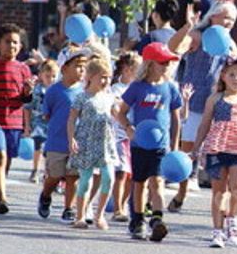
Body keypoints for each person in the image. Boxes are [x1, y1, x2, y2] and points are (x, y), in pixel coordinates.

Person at [167, 0, 237, 212]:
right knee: (189, 149)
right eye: (225, 17)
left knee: (220, 152)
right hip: (194, 100)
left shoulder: (230, 43)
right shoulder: (198, 36)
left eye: (232, 20)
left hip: (219, 102)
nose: (228, 23)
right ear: (213, 17)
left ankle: (221, 206)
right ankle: (182, 190)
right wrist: (187, 27)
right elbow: (173, 48)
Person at [191, 56, 237, 248]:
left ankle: (232, 220)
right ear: (223, 76)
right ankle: (217, 230)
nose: (236, 79)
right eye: (232, 75)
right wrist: (196, 147)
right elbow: (205, 124)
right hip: (218, 146)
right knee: (219, 191)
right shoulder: (215, 99)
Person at [117, 42, 182, 241]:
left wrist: (175, 144)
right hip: (139, 144)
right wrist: (128, 128)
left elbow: (176, 117)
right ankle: (137, 219)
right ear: (150, 64)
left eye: (168, 63)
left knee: (158, 180)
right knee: (140, 182)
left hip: (160, 144)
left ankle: (157, 218)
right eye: (162, 62)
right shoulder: (137, 87)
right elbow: (121, 112)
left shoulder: (170, 87)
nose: (166, 66)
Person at [0, 23, 35, 214]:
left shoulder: (23, 69)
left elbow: (25, 98)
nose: (12, 46)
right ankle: (3, 198)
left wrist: (28, 91)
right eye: (7, 42)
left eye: (15, 42)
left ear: (20, 46)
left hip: (14, 119)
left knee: (7, 161)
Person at [37, 48, 88, 222]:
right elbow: (48, 114)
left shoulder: (84, 92)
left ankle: (69, 208)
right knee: (55, 175)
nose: (82, 70)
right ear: (64, 68)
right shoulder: (54, 91)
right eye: (77, 66)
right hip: (57, 141)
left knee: (73, 176)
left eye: (84, 66)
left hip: (77, 142)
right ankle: (45, 195)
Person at [67, 59, 118, 230]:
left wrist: (128, 125)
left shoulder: (110, 97)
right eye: (102, 77)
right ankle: (80, 216)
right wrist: (71, 138)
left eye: (108, 78)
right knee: (85, 181)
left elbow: (118, 114)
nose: (105, 81)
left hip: (106, 143)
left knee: (109, 178)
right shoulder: (82, 97)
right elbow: (72, 119)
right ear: (90, 77)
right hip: (86, 142)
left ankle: (100, 214)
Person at [110, 52, 142, 222]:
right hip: (120, 136)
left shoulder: (139, 88)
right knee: (121, 173)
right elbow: (115, 110)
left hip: (135, 137)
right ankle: (117, 208)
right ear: (129, 70)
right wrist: (125, 124)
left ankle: (124, 205)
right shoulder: (117, 89)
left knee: (131, 174)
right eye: (139, 69)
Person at [23, 59, 60, 184]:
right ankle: (35, 170)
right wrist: (27, 125)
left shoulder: (58, 90)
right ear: (41, 76)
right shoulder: (37, 90)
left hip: (52, 123)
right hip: (38, 122)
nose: (51, 79)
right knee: (37, 146)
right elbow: (28, 107)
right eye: (48, 76)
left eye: (54, 76)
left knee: (49, 150)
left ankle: (47, 172)